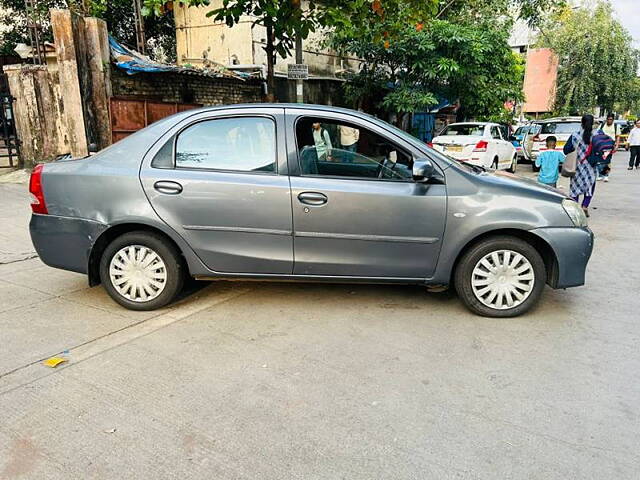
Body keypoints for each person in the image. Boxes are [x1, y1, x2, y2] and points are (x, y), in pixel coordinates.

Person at [563, 114, 598, 217]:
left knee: (575, 188)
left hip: (577, 167)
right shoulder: (596, 136)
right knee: (589, 187)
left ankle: (575, 209)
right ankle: (585, 206)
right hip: (591, 167)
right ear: (592, 124)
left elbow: (566, 150)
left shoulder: (575, 136)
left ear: (581, 123)